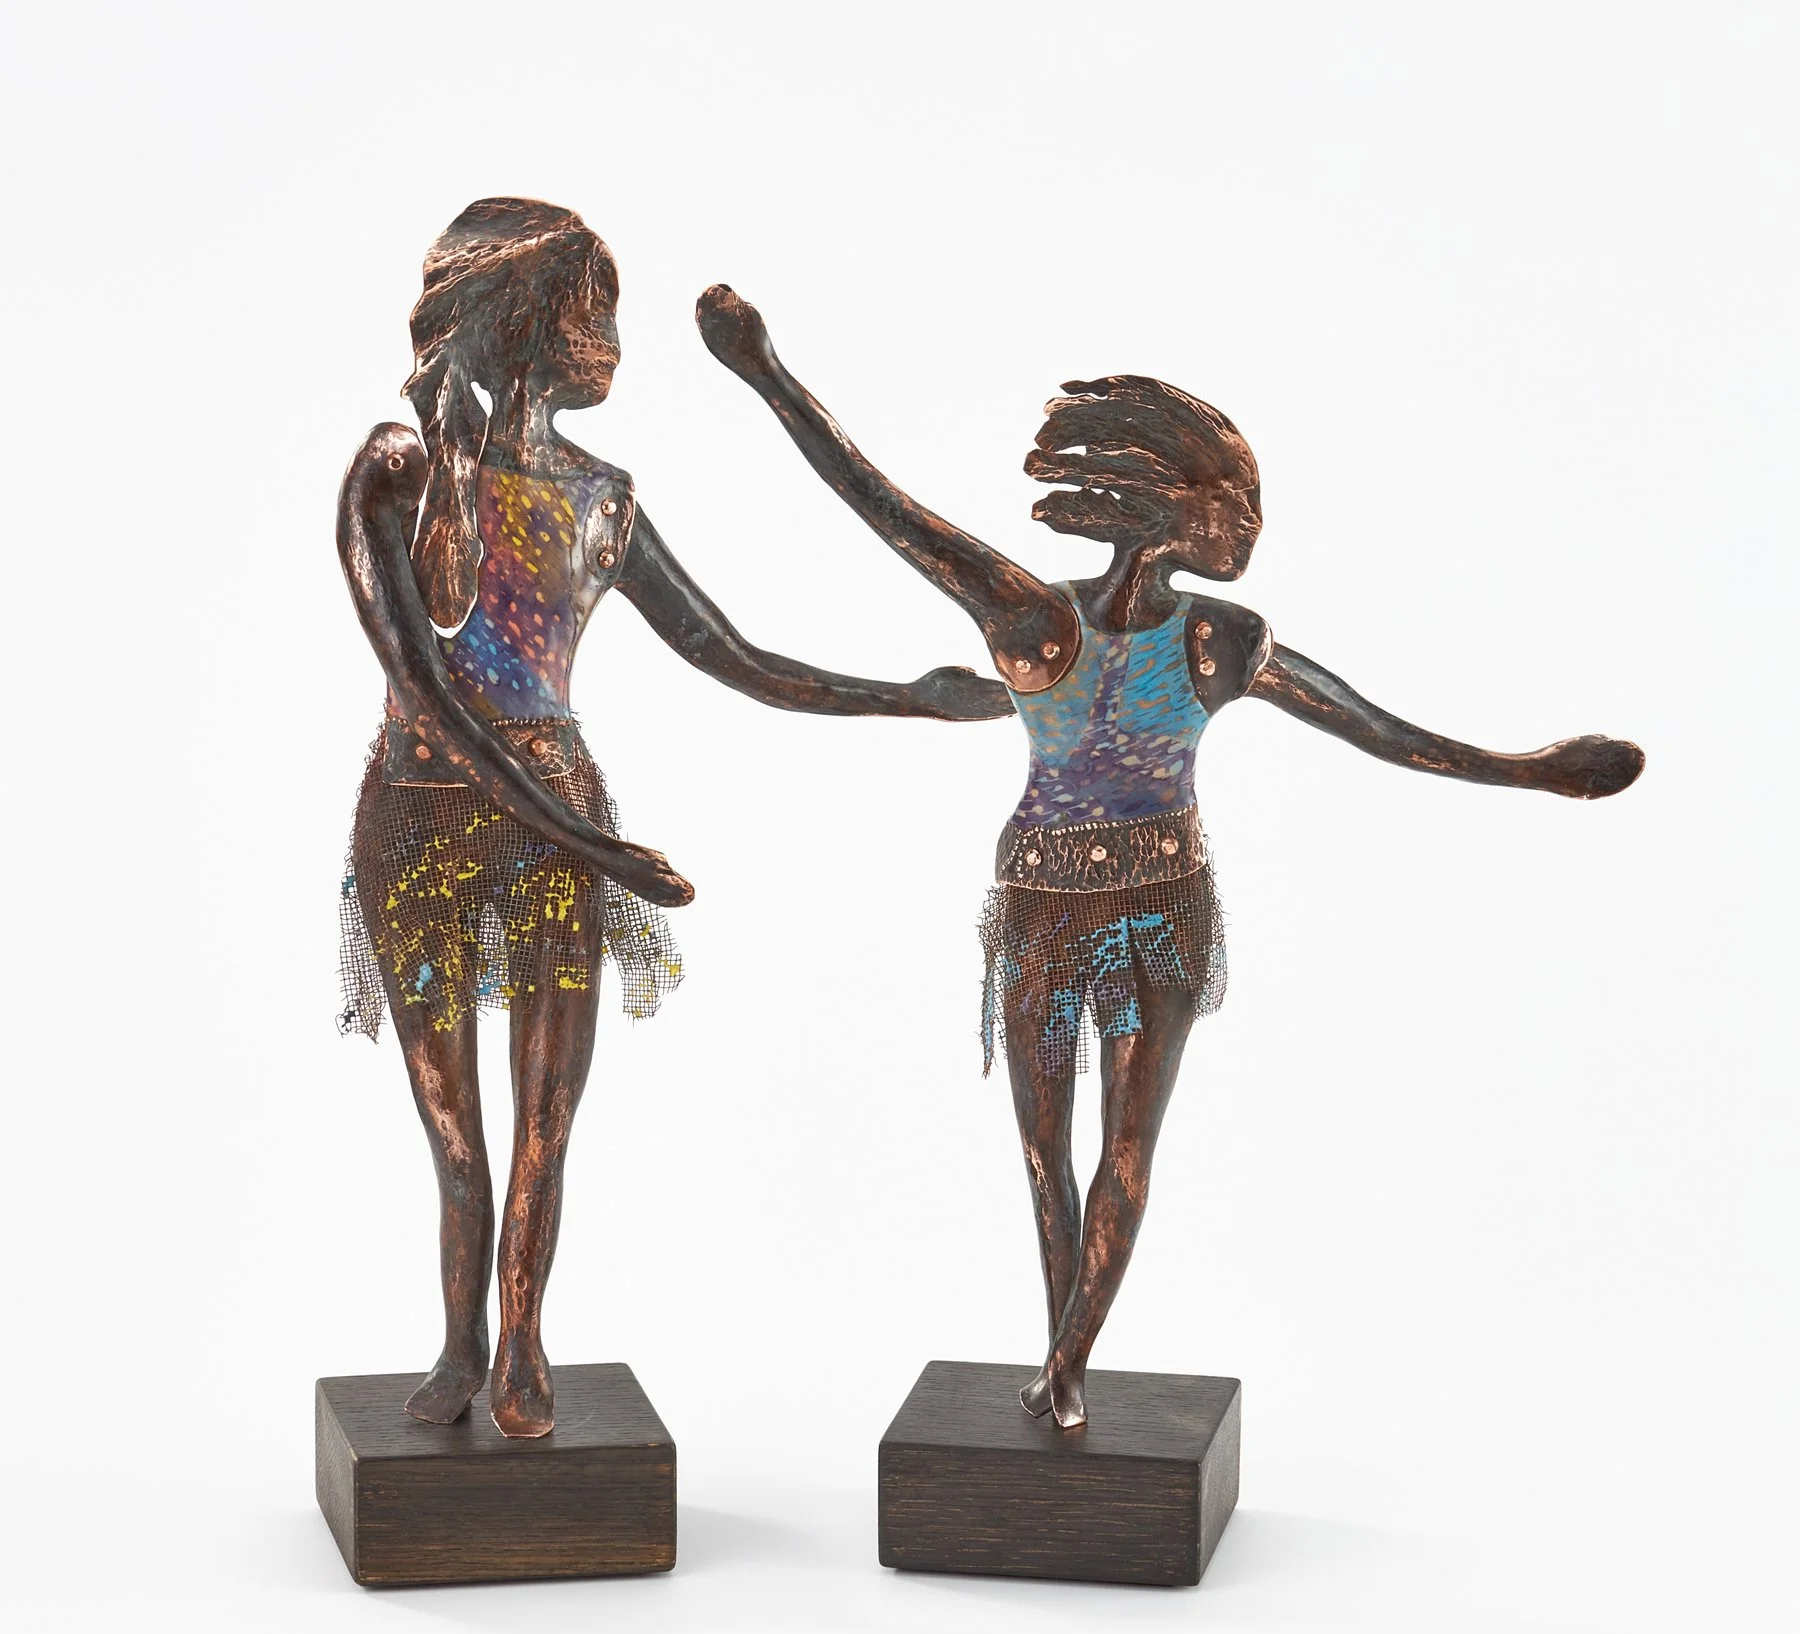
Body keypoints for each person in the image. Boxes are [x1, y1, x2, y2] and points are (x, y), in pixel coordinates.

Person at [694, 283, 1643, 1428]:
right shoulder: (1067, 623)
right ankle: (1062, 1363)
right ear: (1170, 508)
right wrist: (764, 371)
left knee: (1117, 1149)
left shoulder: (1200, 638)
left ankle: (1066, 1366)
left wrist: (1532, 768)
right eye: (1236, 503)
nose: (1250, 527)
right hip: (1058, 905)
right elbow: (882, 504)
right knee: (1050, 1150)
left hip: (1139, 905)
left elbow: (1378, 730)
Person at [334, 201, 1008, 1437]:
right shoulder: (399, 471)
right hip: (426, 818)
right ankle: (460, 1342)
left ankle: (522, 1341)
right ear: (526, 317)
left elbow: (729, 653)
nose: (613, 341)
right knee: (458, 1139)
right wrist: (591, 841)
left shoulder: (603, 498)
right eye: (595, 311)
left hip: (555, 818)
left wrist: (907, 696)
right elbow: (426, 679)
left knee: (547, 1121)